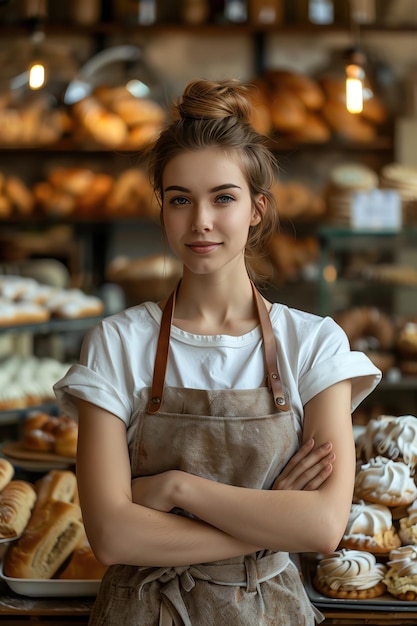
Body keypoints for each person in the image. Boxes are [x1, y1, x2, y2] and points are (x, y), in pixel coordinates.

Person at [54, 78, 381, 625]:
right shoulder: (117, 342)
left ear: (256, 209)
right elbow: (111, 537)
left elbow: (322, 527)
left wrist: (175, 488)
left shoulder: (315, 343)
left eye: (223, 198)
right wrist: (267, 522)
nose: (200, 221)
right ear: (161, 208)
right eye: (180, 199)